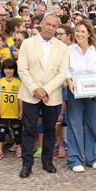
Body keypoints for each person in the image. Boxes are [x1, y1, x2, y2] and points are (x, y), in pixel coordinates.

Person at [18, 13, 69, 178]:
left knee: (50, 129)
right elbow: (22, 69)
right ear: (41, 24)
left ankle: (47, 161)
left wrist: (46, 90)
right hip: (30, 94)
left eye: (54, 26)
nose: (50, 28)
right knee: (29, 129)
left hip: (51, 95)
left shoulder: (62, 47)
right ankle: (27, 164)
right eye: (48, 24)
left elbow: (62, 73)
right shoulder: (27, 43)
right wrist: (36, 89)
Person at [65, 20, 96, 172]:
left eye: (83, 31)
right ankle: (75, 159)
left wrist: (95, 91)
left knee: (93, 124)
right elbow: (66, 69)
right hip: (74, 92)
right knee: (75, 124)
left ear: (89, 33)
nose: (79, 34)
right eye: (77, 31)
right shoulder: (69, 50)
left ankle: (93, 157)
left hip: (94, 93)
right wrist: (69, 80)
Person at [0, 59, 22, 160]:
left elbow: (20, 98)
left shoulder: (18, 82)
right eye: (6, 68)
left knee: (17, 130)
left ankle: (19, 148)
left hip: (14, 112)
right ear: (3, 70)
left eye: (11, 68)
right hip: (3, 112)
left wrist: (21, 111)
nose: (8, 71)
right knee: (1, 131)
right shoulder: (0, 81)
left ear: (15, 69)